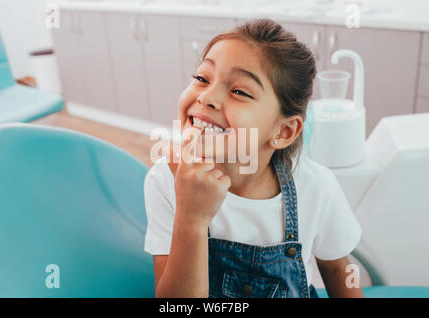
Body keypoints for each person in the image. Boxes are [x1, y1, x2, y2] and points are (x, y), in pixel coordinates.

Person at [144, 18, 363, 298]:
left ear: (284, 131)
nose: (207, 97)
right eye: (202, 78)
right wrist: (191, 219)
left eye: (239, 91)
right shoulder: (165, 181)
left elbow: (337, 271)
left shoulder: (317, 186)